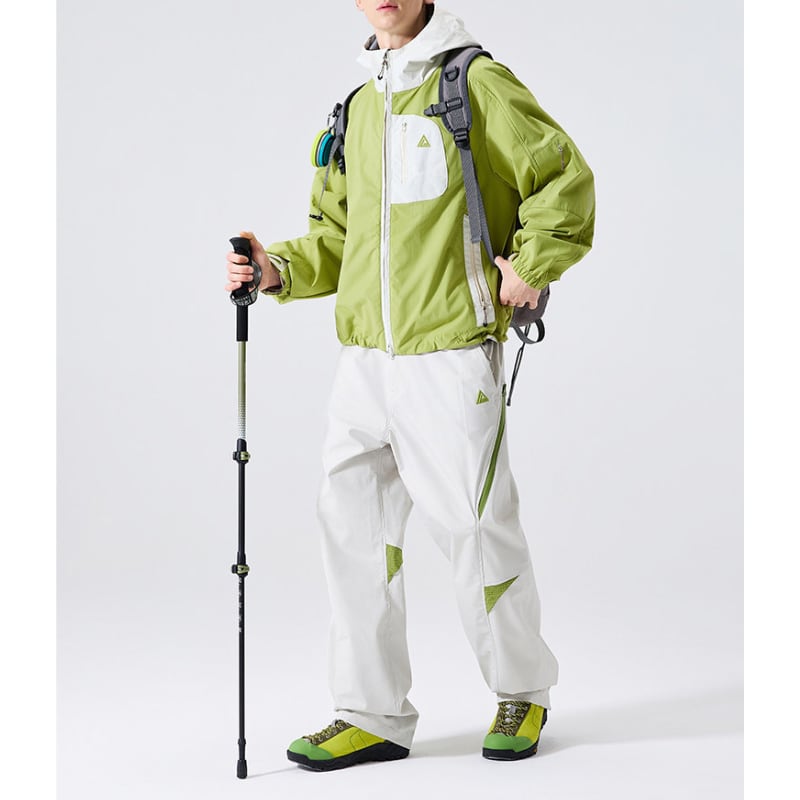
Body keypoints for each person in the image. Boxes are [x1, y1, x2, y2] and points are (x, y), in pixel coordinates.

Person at [225, 0, 594, 771]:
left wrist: (531, 266)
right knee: (353, 537)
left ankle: (522, 691)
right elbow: (337, 238)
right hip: (364, 365)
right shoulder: (358, 106)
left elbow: (562, 178)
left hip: (449, 355)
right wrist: (275, 269)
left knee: (476, 529)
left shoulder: (474, 81)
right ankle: (371, 714)